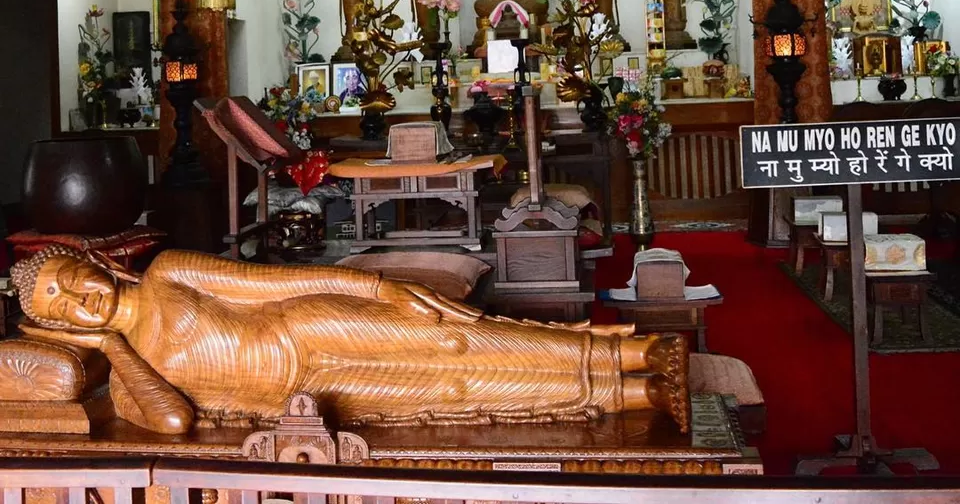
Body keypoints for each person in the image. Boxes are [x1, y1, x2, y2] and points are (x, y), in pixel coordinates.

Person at [11, 247, 690, 435]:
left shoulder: (166, 274)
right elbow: (173, 419)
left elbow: (267, 282)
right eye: (63, 309)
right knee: (456, 391)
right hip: (306, 391)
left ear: (95, 264)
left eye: (72, 280)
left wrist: (375, 289)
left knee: (453, 339)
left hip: (308, 322)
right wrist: (111, 344)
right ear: (65, 328)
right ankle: (633, 394)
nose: (79, 299)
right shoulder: (130, 379)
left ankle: (630, 351)